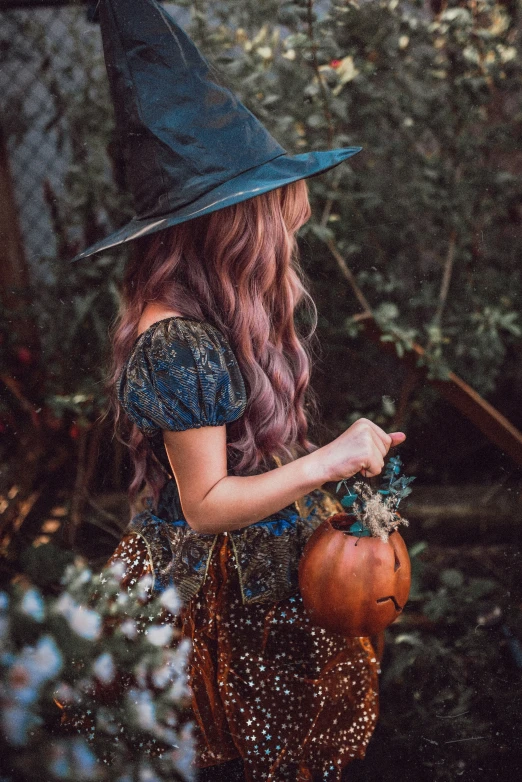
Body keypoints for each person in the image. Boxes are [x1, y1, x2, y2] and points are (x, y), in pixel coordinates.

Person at [75, 2, 406, 779]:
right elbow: (207, 504)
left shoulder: (195, 316)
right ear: (233, 226)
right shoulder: (179, 344)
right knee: (238, 742)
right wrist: (329, 460)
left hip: (248, 565)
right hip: (217, 591)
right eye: (278, 222)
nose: (287, 242)